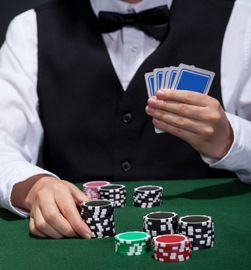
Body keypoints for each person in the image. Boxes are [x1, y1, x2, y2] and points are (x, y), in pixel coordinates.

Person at [0, 0, 250, 239]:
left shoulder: (242, 20)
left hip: (205, 244)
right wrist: (35, 186)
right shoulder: (29, 29)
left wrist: (230, 139)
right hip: (76, 243)